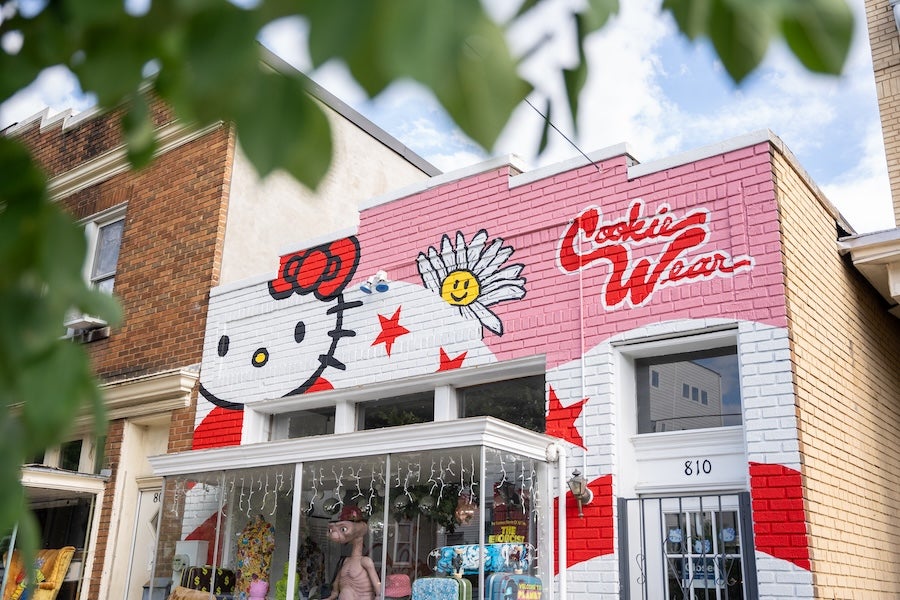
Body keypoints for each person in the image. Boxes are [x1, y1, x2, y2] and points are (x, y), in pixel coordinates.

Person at [326, 506, 380, 600]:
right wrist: (332, 596)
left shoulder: (365, 562)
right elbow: (335, 587)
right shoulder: (345, 561)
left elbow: (378, 589)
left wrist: (379, 596)